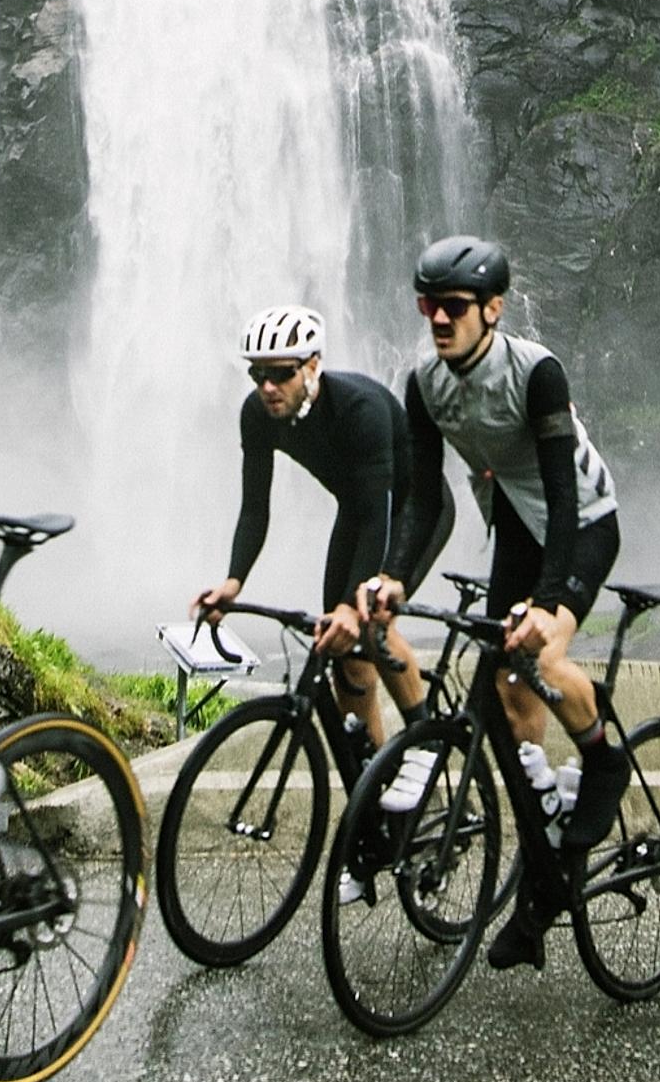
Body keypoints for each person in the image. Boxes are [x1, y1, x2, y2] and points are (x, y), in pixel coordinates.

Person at [358, 235, 627, 973]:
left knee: (536, 654)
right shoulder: (423, 382)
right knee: (498, 710)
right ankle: (543, 882)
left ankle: (604, 761)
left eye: (452, 307)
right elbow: (419, 497)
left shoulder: (534, 372)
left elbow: (564, 493)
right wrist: (391, 578)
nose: (437, 320)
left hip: (581, 526)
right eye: (426, 306)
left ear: (492, 308)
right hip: (511, 522)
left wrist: (546, 604)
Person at [188, 305, 426, 828]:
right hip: (358, 508)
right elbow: (255, 508)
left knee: (373, 619)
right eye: (257, 374)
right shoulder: (256, 414)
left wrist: (353, 604)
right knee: (341, 649)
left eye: (281, 373)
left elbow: (379, 517)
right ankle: (377, 785)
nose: (267, 386)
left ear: (313, 366)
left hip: (408, 512)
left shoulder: (359, 408)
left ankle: (425, 745)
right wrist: (233, 581)